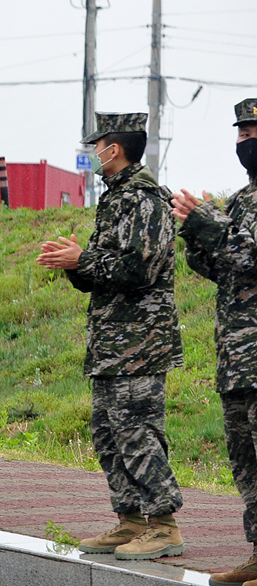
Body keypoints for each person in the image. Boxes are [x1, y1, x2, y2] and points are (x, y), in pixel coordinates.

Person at [37, 111, 186, 560]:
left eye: (99, 144)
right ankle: (130, 520)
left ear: (114, 148)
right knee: (107, 433)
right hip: (111, 341)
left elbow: (141, 269)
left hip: (140, 342)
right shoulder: (116, 198)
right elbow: (101, 269)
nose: (94, 152)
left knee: (137, 431)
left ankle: (164, 525)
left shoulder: (144, 199)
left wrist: (85, 260)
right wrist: (74, 263)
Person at [173, 98, 257, 586]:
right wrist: (194, 232)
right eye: (241, 135)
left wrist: (207, 223)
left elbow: (251, 256)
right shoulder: (245, 200)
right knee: (246, 462)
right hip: (238, 356)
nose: (246, 143)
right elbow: (220, 267)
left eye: (254, 134)